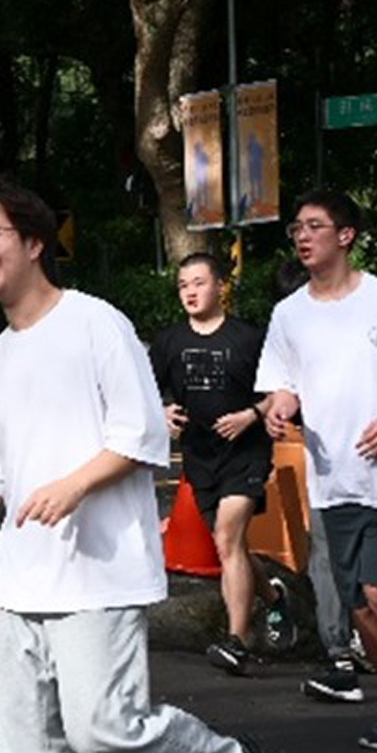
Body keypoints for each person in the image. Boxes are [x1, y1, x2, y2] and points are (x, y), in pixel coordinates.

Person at [0, 175, 267, 753]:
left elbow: (141, 434)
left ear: (35, 242)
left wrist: (73, 485)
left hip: (96, 573)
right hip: (21, 580)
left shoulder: (94, 323)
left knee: (105, 730)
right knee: (27, 751)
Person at [254, 189, 377, 753]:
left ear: (345, 235)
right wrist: (279, 407)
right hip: (333, 483)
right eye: (296, 228)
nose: (302, 236)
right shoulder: (289, 314)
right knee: (360, 609)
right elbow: (281, 384)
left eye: (314, 226)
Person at [149, 252, 278, 676]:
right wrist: (162, 411)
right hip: (200, 458)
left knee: (226, 538)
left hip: (246, 453)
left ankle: (237, 641)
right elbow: (144, 392)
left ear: (220, 286)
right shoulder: (169, 342)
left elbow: (280, 392)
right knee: (232, 545)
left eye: (199, 283)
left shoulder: (247, 338)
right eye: (183, 285)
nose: (190, 292)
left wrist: (251, 415)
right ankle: (274, 598)